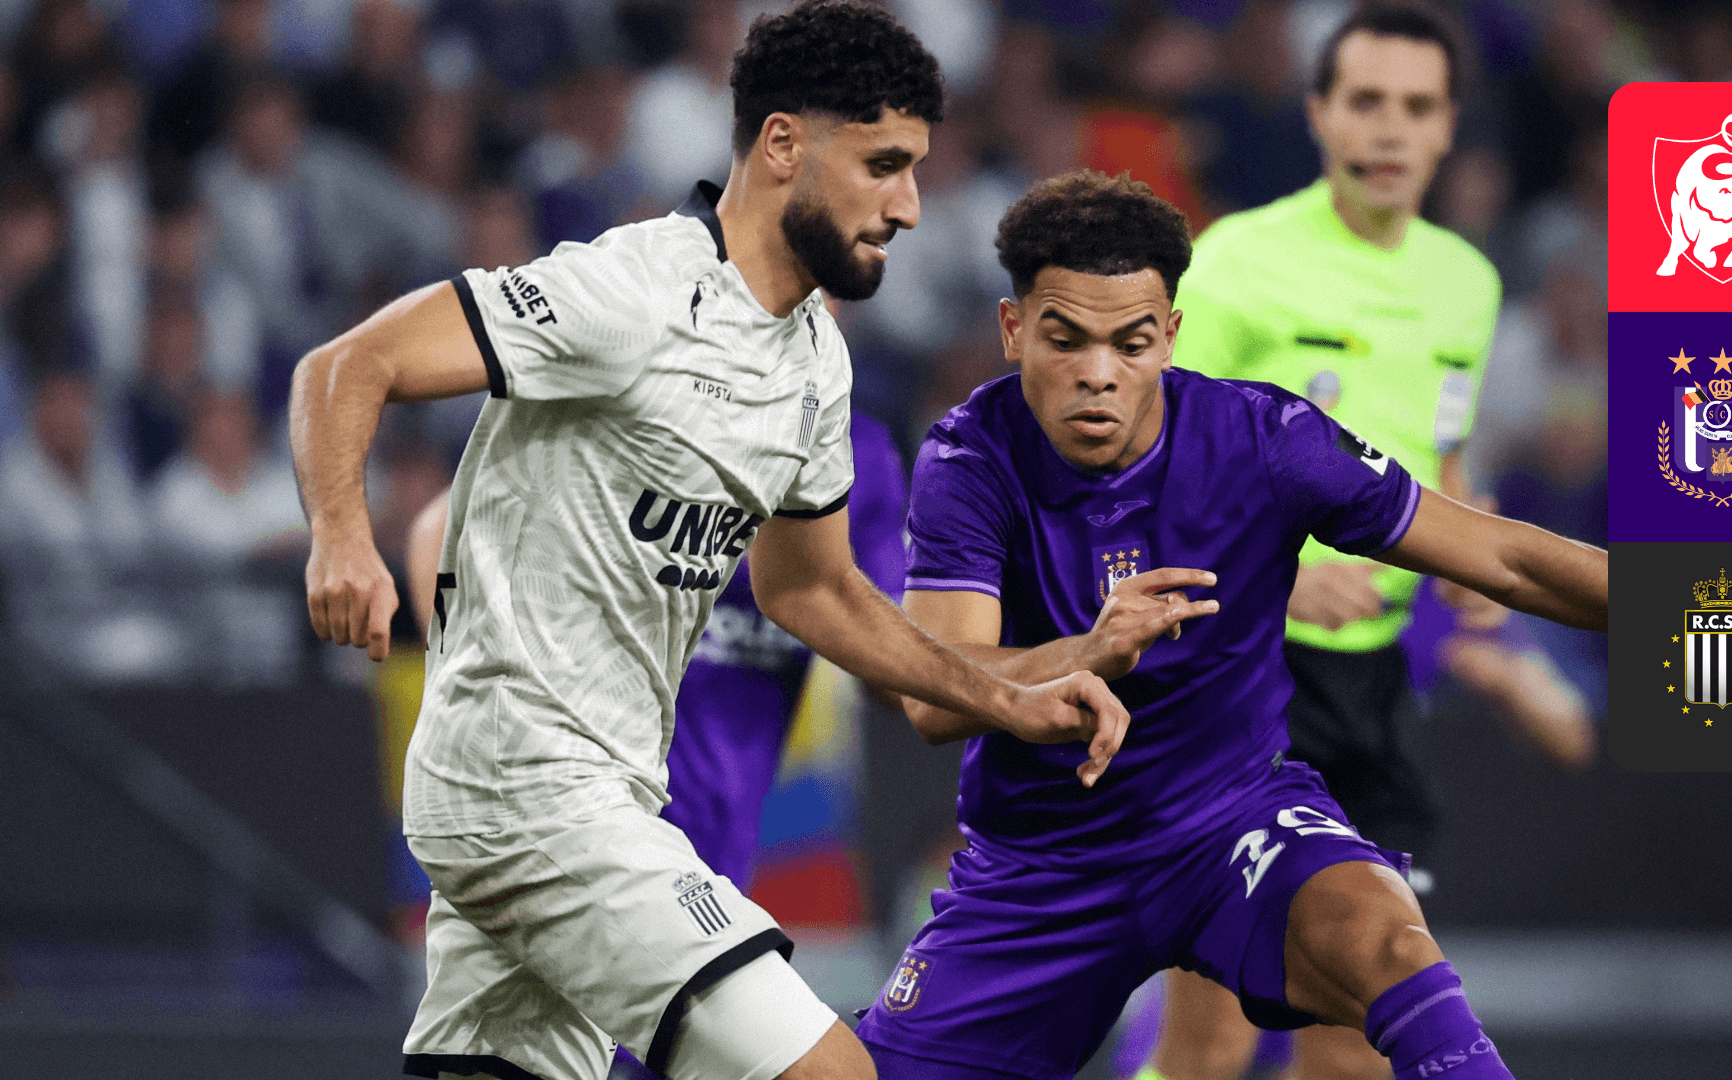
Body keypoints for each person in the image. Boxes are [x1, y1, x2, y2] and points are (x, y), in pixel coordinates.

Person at [288, 7, 1128, 1080]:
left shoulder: (815, 361)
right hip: (531, 785)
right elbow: (344, 366)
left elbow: (816, 593)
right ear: (781, 145)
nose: (908, 206)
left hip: (592, 795)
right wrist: (342, 539)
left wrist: (1008, 697)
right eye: (882, 165)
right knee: (831, 1073)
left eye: (915, 170)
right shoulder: (630, 291)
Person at [854, 171, 1607, 1080]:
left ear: (1171, 335)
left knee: (1391, 945)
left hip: (1230, 827)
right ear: (1015, 331)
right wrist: (1086, 651)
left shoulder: (1267, 438)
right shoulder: (970, 456)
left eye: (1132, 343)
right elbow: (936, 696)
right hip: (1043, 866)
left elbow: (1508, 559)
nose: (1099, 374)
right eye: (1066, 339)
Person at [1153, 5, 1584, 1075]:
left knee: (1357, 1034)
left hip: (1376, 687)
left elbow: (1444, 456)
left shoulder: (1466, 284)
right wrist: (1278, 582)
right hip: (1239, 678)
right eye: (1367, 102)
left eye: (1417, 107)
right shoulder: (1236, 262)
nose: (1390, 129)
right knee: (1212, 1034)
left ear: (1449, 127)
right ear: (1319, 113)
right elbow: (1147, 471)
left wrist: (1471, 572)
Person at [404, 410, 908, 1080]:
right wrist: (475, 698)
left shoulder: (851, 448)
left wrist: (1003, 679)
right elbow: (440, 526)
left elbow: (895, 670)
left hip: (711, 864)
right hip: (586, 838)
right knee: (824, 1068)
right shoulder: (650, 384)